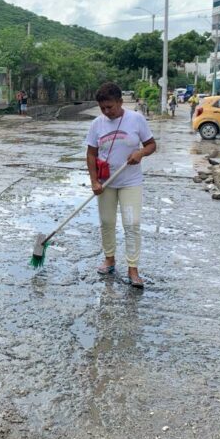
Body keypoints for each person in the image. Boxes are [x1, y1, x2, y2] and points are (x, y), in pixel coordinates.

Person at [86, 82, 156, 288]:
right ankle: (109, 259)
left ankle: (133, 268)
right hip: (106, 182)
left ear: (120, 101)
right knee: (107, 222)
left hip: (130, 182)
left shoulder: (136, 119)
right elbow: (91, 154)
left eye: (110, 107)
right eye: (103, 108)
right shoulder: (97, 124)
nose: (107, 112)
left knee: (132, 223)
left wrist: (141, 153)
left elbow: (151, 144)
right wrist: (94, 181)